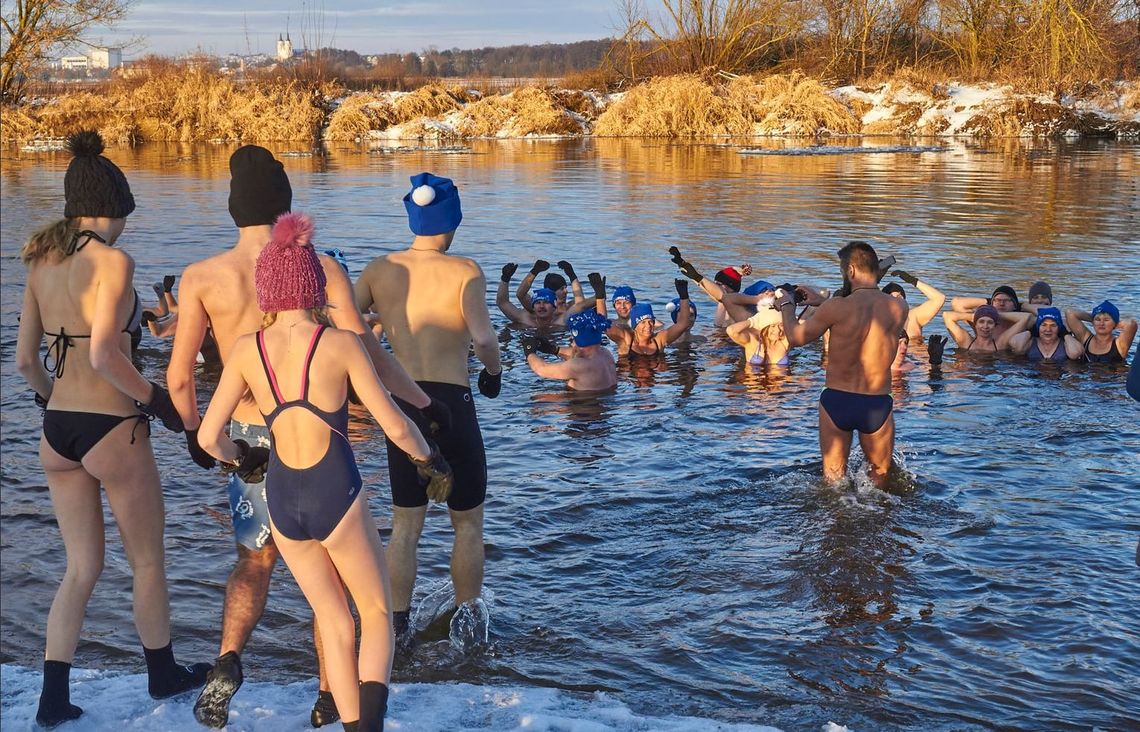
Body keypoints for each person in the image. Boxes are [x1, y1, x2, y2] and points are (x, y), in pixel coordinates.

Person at [168, 146, 439, 728]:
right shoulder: (328, 298)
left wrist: (223, 450)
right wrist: (425, 431)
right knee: (357, 601)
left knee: (260, 566)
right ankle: (342, 708)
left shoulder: (211, 292)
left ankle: (229, 661)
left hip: (259, 451)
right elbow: (379, 387)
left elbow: (184, 390)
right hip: (325, 458)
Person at [14, 131, 209, 729]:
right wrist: (158, 404)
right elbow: (105, 355)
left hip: (58, 432)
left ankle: (52, 698)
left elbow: (25, 360)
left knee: (81, 568)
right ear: (113, 207)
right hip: (111, 426)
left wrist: (55, 407)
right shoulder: (114, 261)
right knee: (147, 559)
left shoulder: (42, 259)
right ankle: (162, 672)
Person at [354, 172, 502, 648]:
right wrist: (493, 375)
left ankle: (395, 630)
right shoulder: (466, 270)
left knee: (405, 525)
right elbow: (483, 339)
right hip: (453, 400)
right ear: (452, 220)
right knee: (468, 522)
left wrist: (368, 354)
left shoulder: (379, 269)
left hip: (402, 405)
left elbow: (341, 320)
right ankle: (468, 628)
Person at [774, 241, 908, 488]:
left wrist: (786, 306)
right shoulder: (898, 307)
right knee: (878, 487)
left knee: (833, 486)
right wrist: (820, 301)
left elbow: (796, 338)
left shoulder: (835, 307)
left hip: (837, 399)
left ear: (851, 271)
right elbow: (866, 304)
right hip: (876, 401)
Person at [522, 311, 617, 391]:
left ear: (581, 340)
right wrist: (553, 349)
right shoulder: (605, 354)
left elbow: (541, 369)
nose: (571, 343)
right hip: (604, 406)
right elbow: (578, 353)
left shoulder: (579, 366)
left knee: (538, 405)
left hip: (583, 407)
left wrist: (529, 351)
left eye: (573, 339)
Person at [606, 280, 693, 357]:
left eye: (650, 321)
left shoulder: (659, 340)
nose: (648, 326)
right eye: (643, 322)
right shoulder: (626, 340)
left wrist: (684, 297)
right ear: (635, 326)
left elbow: (683, 324)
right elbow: (603, 324)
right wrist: (599, 297)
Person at [1065, 301, 1136, 364]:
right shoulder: (1086, 338)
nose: (1101, 323)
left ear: (1115, 323)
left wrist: (1114, 322)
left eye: (1106, 320)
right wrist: (1093, 319)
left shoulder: (1119, 345)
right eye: (1098, 319)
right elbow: (1070, 313)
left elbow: (1131, 324)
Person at [941, 304, 1030, 353]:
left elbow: (1025, 318)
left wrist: (997, 315)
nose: (985, 326)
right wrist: (975, 315)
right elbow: (947, 316)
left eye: (990, 322)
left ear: (995, 325)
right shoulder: (966, 341)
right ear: (975, 324)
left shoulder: (1000, 344)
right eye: (981, 321)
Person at [882, 269, 946, 338]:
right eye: (892, 298)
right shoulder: (879, 322)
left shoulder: (914, 316)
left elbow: (939, 298)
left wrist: (913, 281)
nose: (897, 300)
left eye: (899, 296)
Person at [514, 259, 588, 315]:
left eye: (565, 287)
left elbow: (582, 303)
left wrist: (571, 274)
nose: (566, 291)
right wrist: (534, 271)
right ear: (551, 291)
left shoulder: (571, 306)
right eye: (561, 288)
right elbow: (520, 295)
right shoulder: (540, 309)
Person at [1009, 307, 1084, 361]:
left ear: (1059, 328)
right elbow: (1016, 346)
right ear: (1037, 327)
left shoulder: (1066, 344)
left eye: (1053, 325)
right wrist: (1031, 331)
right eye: (1044, 325)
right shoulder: (1030, 341)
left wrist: (1065, 334)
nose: (1048, 330)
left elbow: (1075, 353)